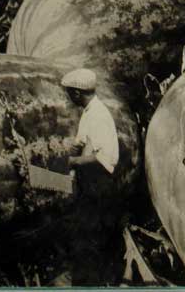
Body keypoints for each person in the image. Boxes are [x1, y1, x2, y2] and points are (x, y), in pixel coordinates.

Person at [61, 68, 121, 286]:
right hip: (89, 182)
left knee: (88, 238)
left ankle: (87, 284)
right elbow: (81, 141)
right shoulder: (88, 112)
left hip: (99, 183)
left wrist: (73, 162)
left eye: (69, 93)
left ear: (77, 93)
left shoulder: (99, 116)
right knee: (81, 233)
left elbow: (103, 157)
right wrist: (71, 151)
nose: (68, 97)